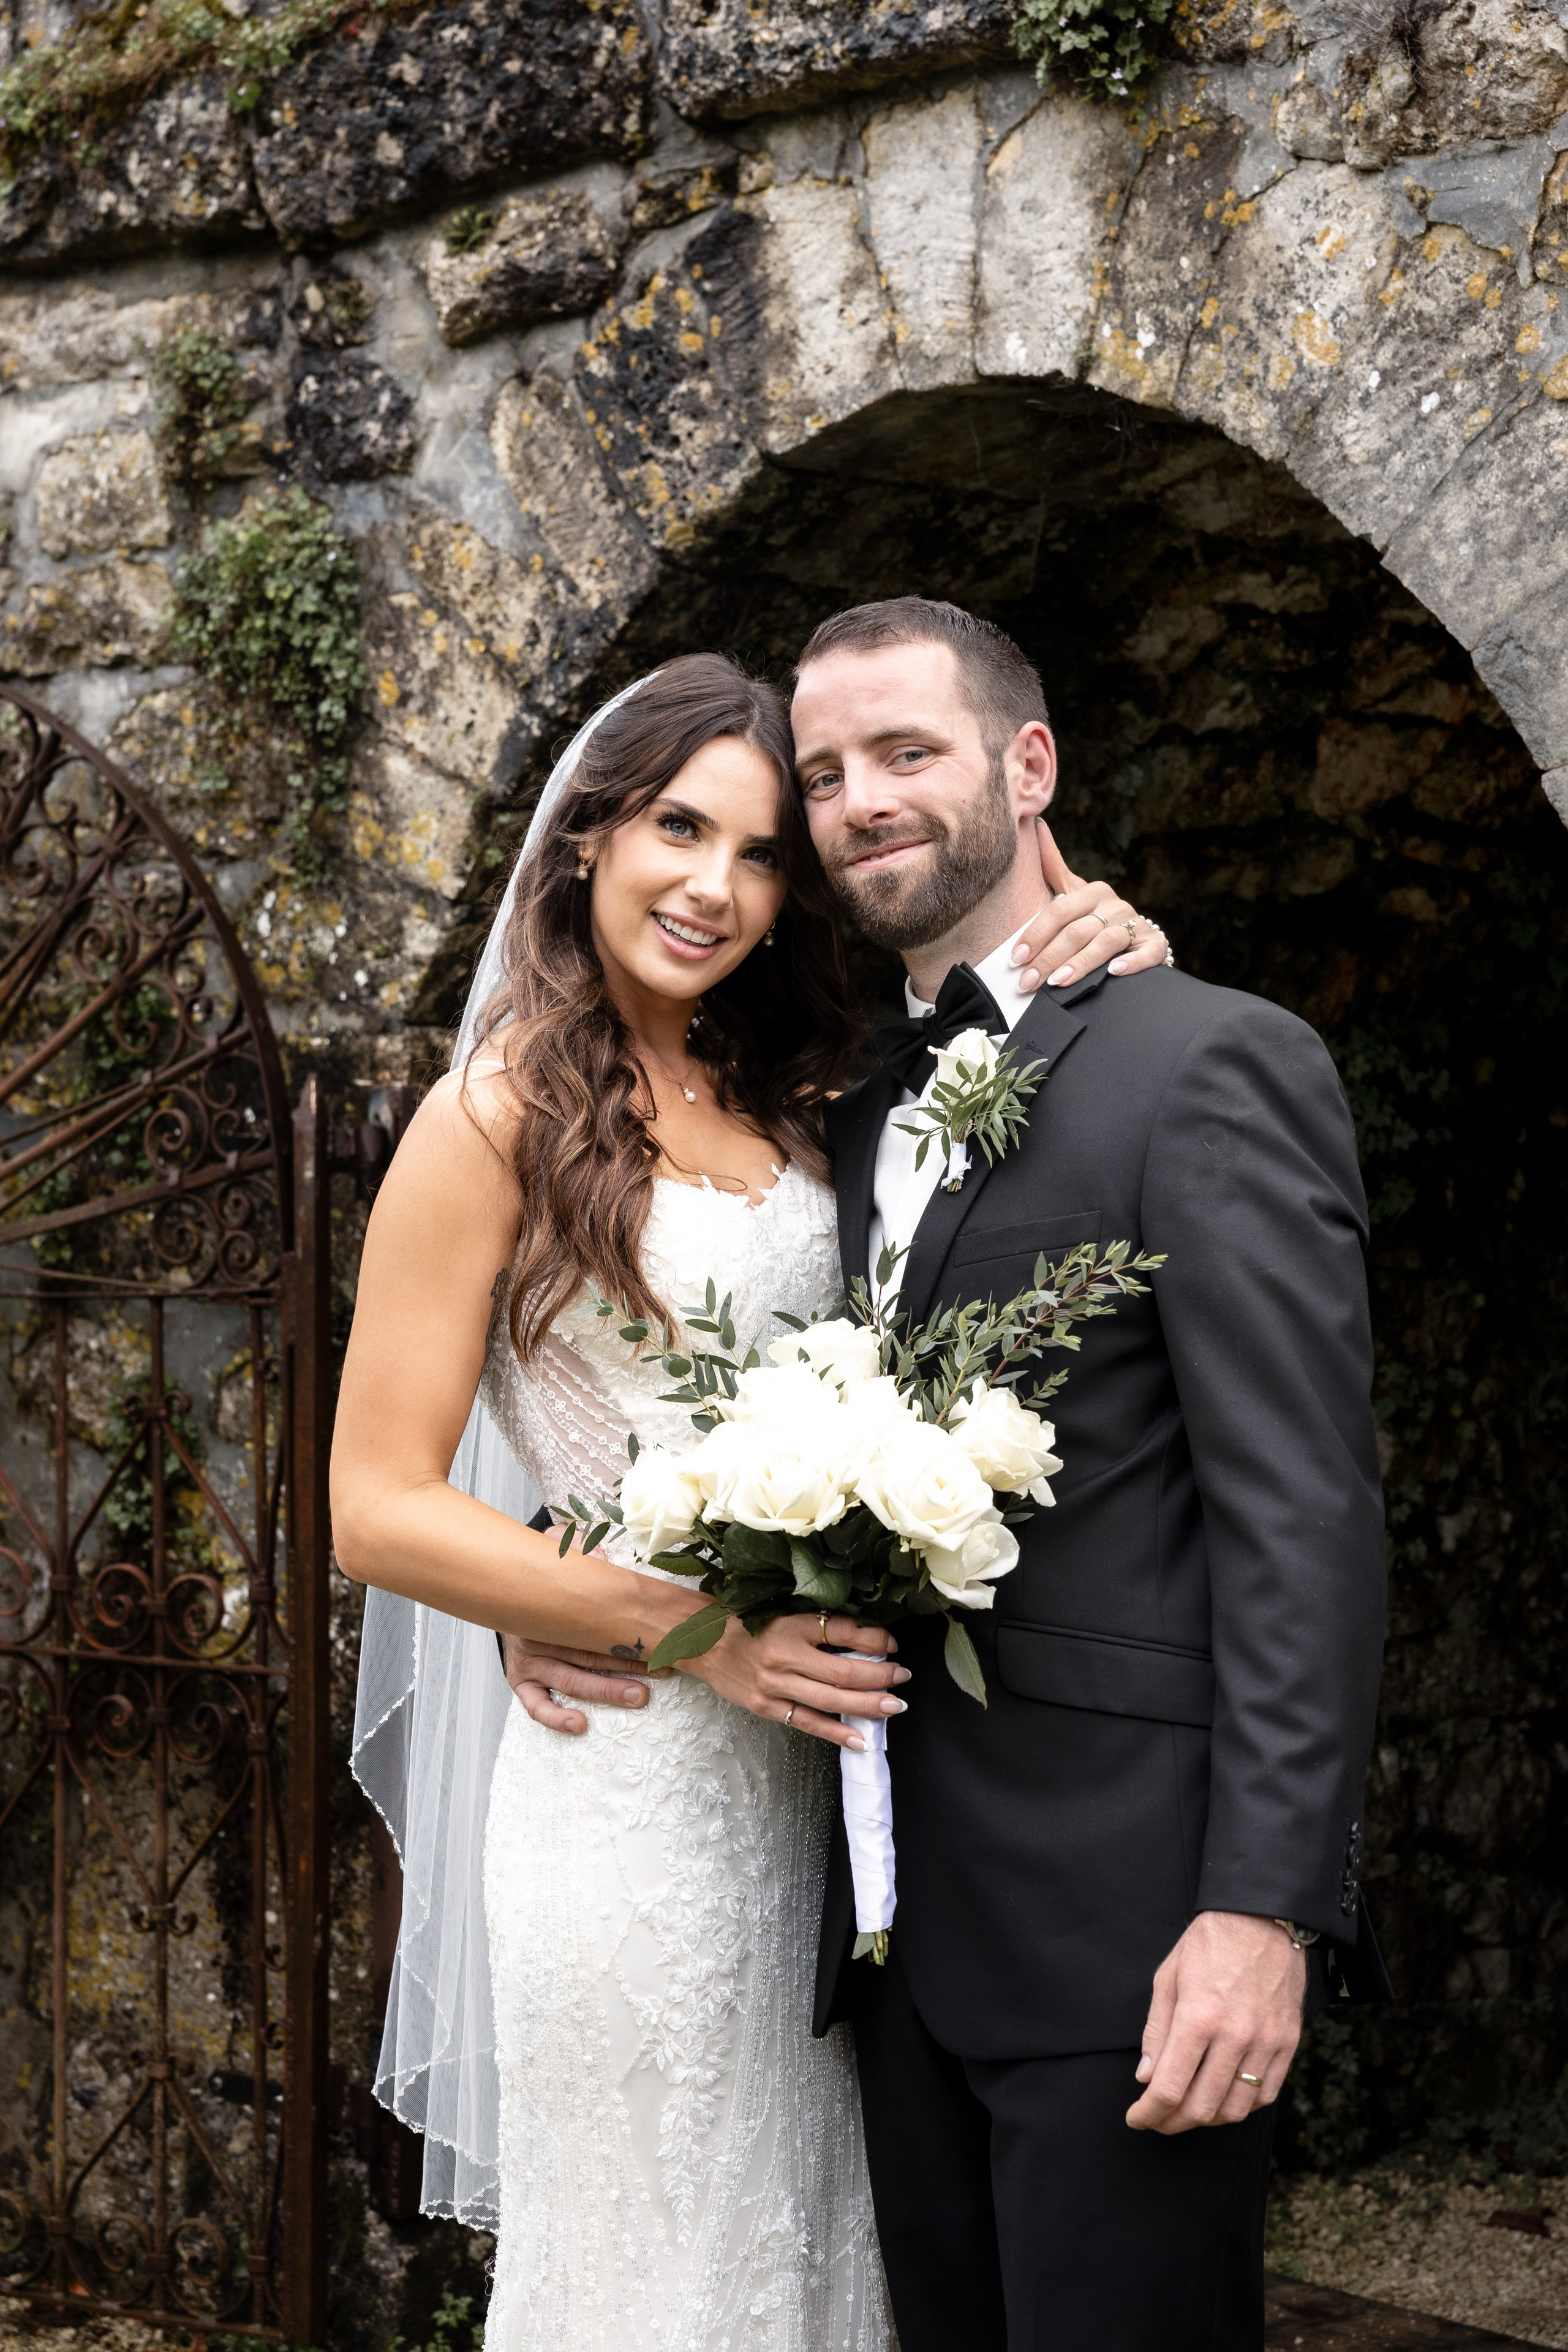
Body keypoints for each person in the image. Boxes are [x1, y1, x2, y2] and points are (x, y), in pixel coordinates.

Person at [511, 601, 1389, 2351]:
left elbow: (1303, 1520)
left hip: (1128, 1936)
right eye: (824, 777)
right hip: (886, 1939)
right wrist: (559, 1577)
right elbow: (704, 1411)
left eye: (906, 752)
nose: (858, 802)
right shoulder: (830, 1115)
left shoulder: (1205, 1059)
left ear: (1029, 763)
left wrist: (1263, 1912)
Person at [333, 652, 1169, 2351]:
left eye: (764, 851)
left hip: (833, 1802)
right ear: (586, 843)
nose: (717, 885)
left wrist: (1115, 940)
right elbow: (375, 1505)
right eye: (676, 829)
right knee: (663, 2273)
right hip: (630, 1798)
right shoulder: (491, 1115)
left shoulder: (809, 1111)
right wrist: (672, 1628)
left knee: (822, 2268)